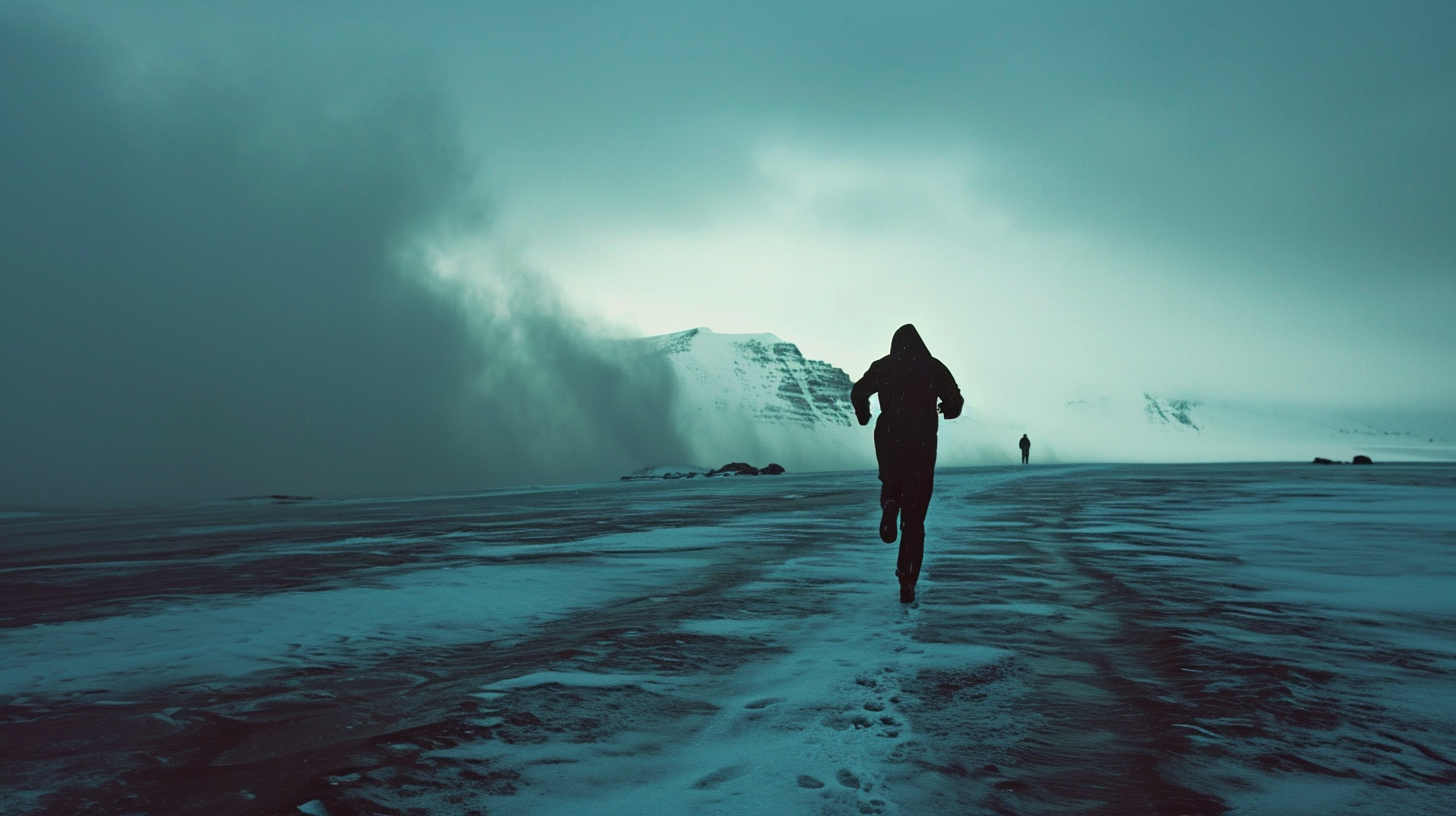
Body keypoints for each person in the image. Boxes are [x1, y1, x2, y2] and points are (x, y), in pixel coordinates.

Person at [850, 324, 964, 604]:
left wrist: (863, 415)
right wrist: (948, 411)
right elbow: (955, 399)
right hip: (921, 441)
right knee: (916, 517)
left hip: (889, 438)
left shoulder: (883, 366)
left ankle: (890, 504)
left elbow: (858, 392)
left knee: (891, 483)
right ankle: (907, 578)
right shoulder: (932, 366)